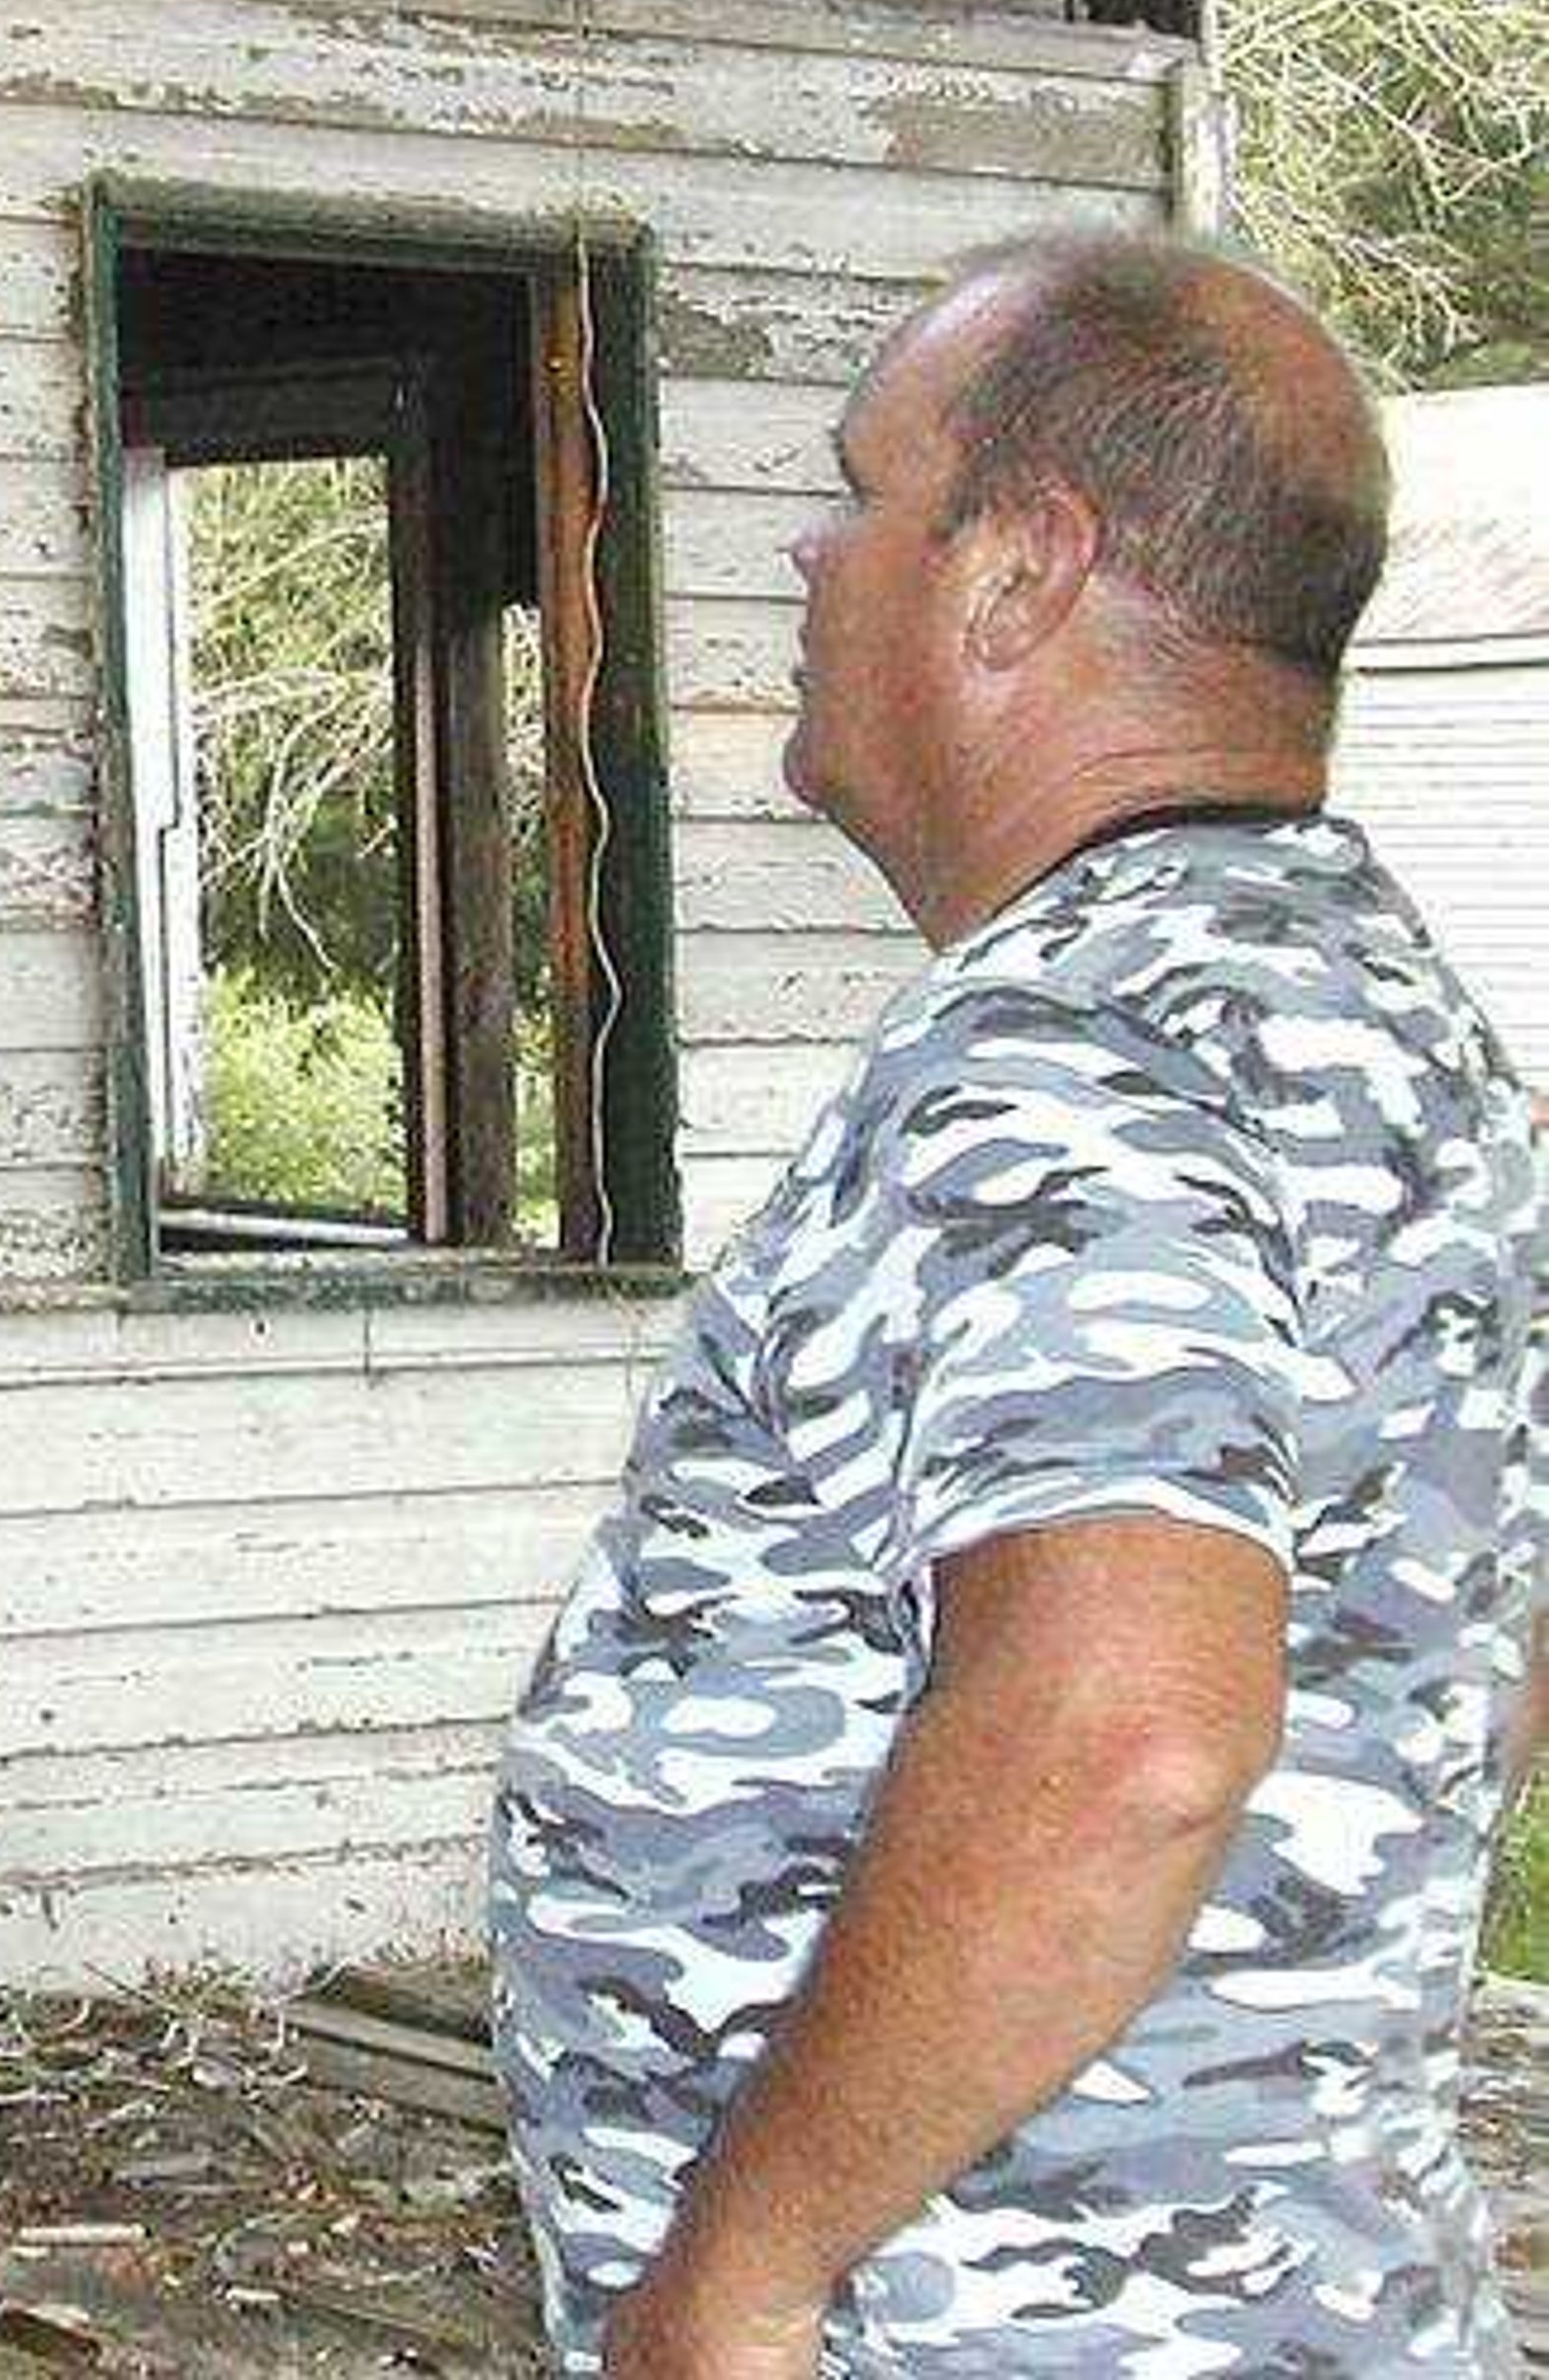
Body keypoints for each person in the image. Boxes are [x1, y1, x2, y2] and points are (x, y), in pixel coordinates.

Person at [490, 233, 1543, 2376]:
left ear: (1020, 571)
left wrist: (743, 2278)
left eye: (868, 487)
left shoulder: (1068, 1053)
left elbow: (1127, 1727)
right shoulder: (1393, 1029)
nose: (809, 551)